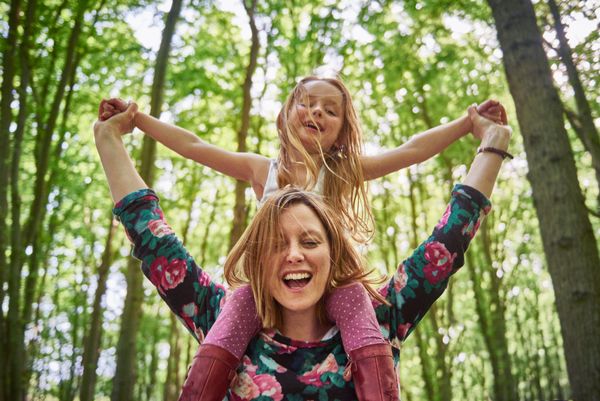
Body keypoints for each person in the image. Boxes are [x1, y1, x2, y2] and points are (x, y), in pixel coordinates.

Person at [99, 76, 506, 400]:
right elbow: (194, 146)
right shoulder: (263, 170)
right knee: (240, 301)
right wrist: (136, 120)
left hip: (340, 288)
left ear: (342, 131)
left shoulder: (345, 172)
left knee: (354, 300)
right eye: (306, 102)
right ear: (285, 115)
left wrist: (469, 123)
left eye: (331, 110)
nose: (316, 111)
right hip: (257, 291)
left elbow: (412, 151)